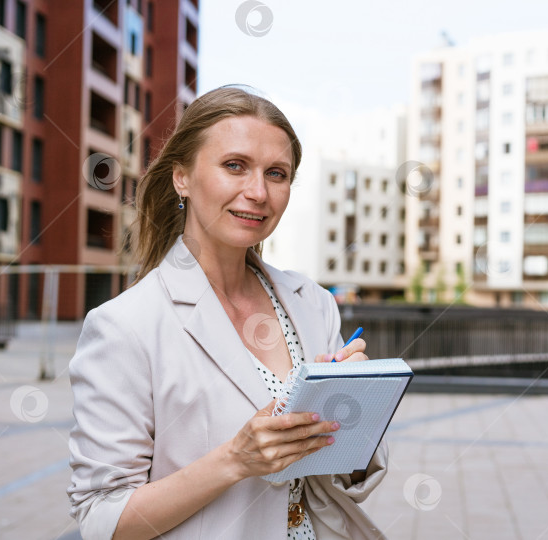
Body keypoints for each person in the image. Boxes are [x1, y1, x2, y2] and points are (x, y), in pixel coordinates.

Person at [67, 86, 388, 540]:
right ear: (182, 176)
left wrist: (355, 409)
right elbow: (102, 519)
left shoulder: (313, 303)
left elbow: (337, 478)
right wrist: (235, 459)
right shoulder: (124, 326)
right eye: (234, 166)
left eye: (276, 174)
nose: (257, 192)